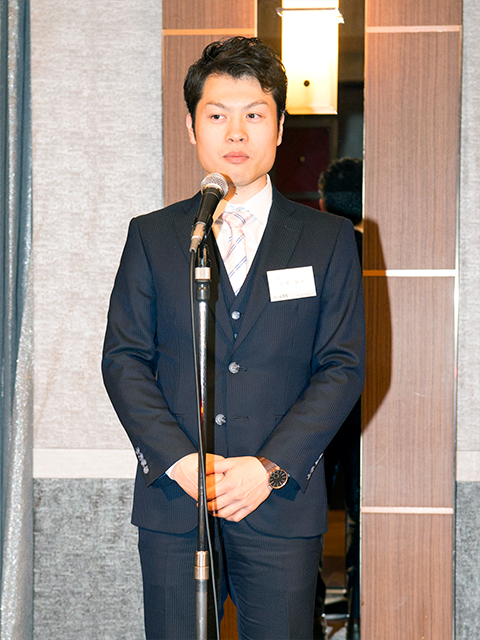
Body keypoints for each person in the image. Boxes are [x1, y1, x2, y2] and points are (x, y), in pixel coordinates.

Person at [102, 37, 365, 640]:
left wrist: (270, 468)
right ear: (192, 125)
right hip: (176, 502)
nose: (237, 133)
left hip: (279, 505)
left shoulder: (327, 239)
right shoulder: (153, 236)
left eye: (254, 114)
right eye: (218, 115)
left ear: (280, 128)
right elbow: (124, 359)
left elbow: (342, 365)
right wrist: (180, 461)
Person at [315, 157, 363, 640]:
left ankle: (312, 616)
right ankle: (355, 619)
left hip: (318, 408)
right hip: (370, 412)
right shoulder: (381, 252)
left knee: (307, 514)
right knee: (359, 516)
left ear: (325, 201)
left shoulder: (318, 249)